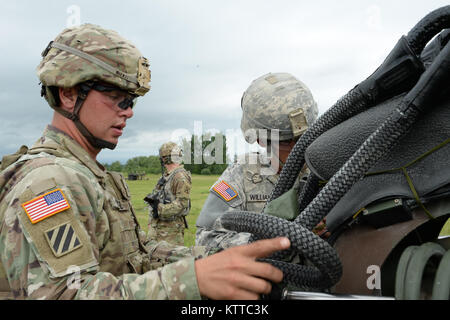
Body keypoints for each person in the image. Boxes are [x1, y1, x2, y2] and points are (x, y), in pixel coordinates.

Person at [0, 23, 290, 300]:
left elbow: (138, 255)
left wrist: (216, 258)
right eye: (116, 98)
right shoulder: (48, 183)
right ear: (68, 93)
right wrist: (194, 279)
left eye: (131, 101)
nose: (128, 112)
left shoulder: (90, 176)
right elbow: (67, 292)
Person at [195, 72, 318, 250]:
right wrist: (273, 242)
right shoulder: (242, 174)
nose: (299, 148)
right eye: (288, 142)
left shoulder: (332, 167)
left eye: (305, 138)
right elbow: (206, 239)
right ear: (260, 140)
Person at [145, 142, 191, 245]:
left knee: (170, 260)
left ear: (164, 159)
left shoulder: (180, 177)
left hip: (171, 232)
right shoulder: (165, 177)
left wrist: (159, 209)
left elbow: (182, 204)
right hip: (159, 228)